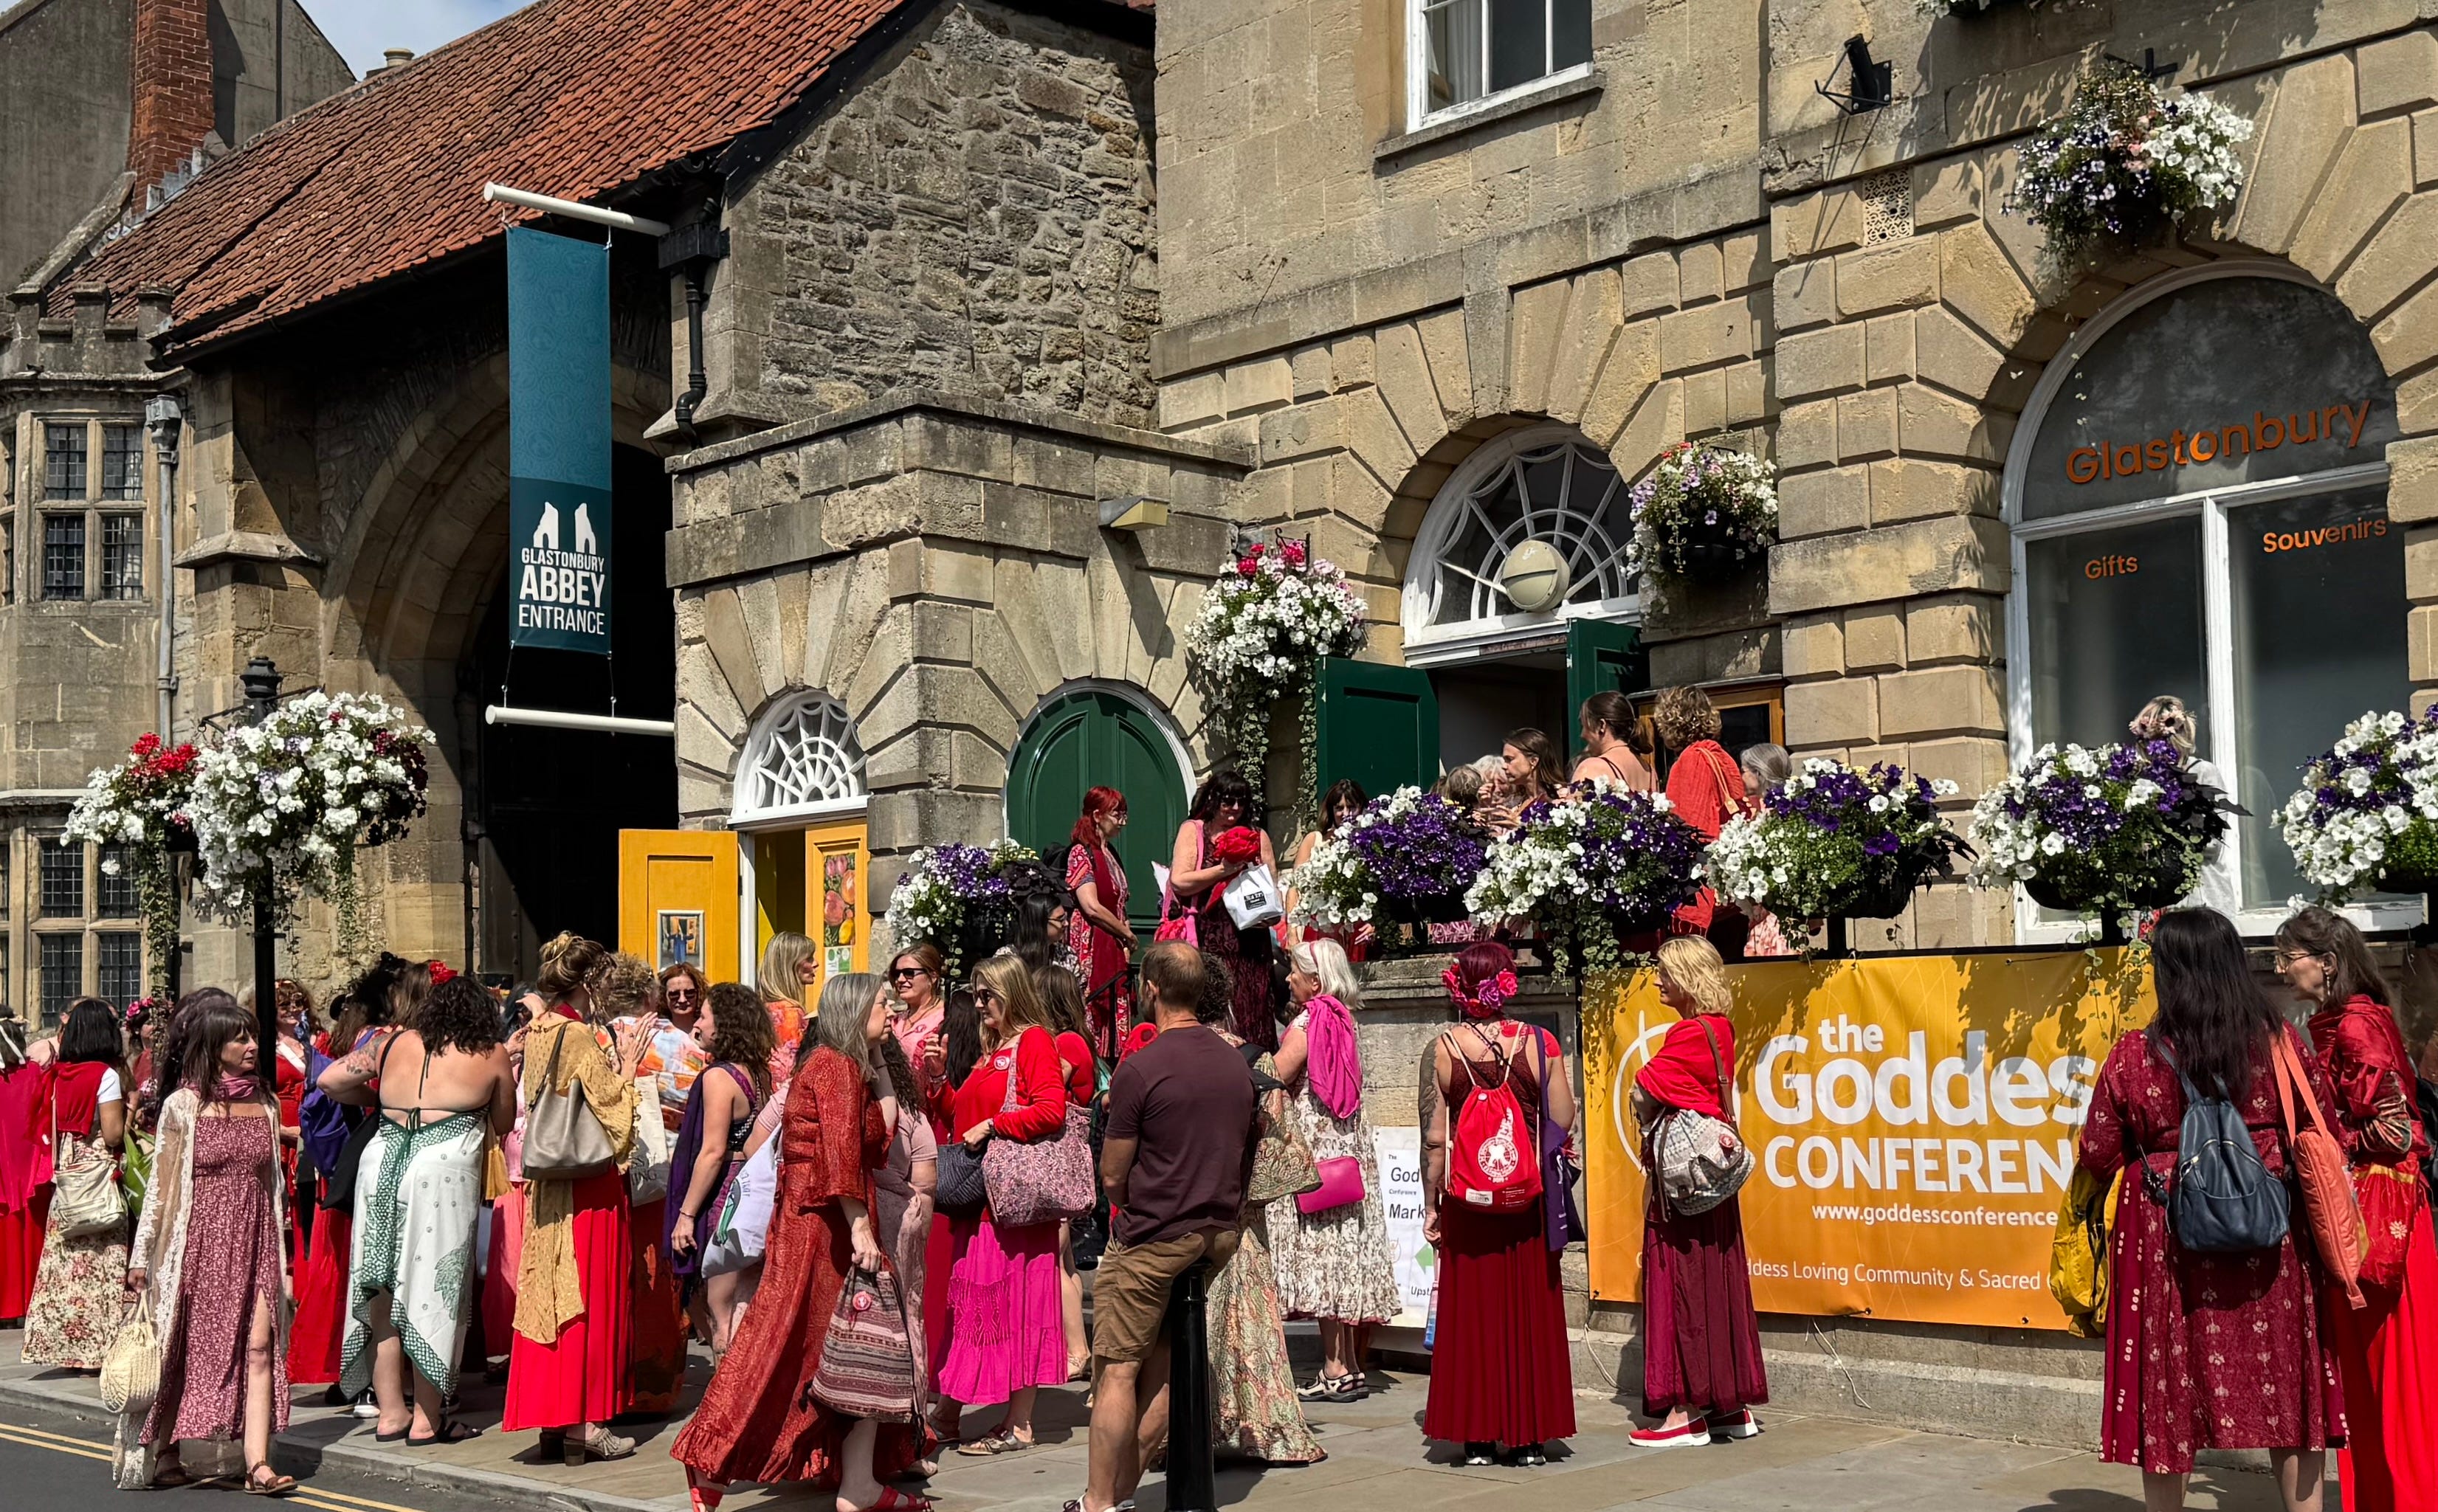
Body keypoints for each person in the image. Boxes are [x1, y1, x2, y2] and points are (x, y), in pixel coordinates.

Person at [2078, 908, 2344, 1511]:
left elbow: (2097, 1151)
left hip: (2169, 1236)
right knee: (2289, 1391)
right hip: (2268, 1230)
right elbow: (2321, 1121)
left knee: (2167, 1394)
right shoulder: (2279, 1041)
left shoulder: (2133, 1054)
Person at [671, 973, 931, 1512]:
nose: (890, 1012)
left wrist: (879, 1059)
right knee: (804, 1344)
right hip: (824, 1229)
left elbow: (880, 1136)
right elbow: (841, 1156)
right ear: (855, 1010)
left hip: (821, 1224)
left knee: (836, 1351)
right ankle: (717, 1457)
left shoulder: (844, 1064)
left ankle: (855, 1483)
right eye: (881, 1005)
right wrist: (860, 1226)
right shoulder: (834, 1067)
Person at [1075, 942, 1262, 1512]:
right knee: (1164, 1367)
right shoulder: (1235, 1062)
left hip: (1153, 1234)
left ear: (1150, 989)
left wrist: (1129, 1209)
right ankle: (1122, 1491)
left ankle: (1098, 1501)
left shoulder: (1141, 1067)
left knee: (1116, 1370)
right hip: (1216, 1232)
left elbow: (1112, 1174)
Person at [2273, 906, 2437, 1511]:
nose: (2281, 969)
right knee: (2371, 1384)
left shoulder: (2355, 1026)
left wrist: (2327, 1137)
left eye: (2288, 957)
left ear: (2327, 962)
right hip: (2367, 1213)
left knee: (2391, 1381)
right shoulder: (2344, 1020)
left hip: (2377, 1217)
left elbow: (2397, 1131)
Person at [320, 976, 515, 1446]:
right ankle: (429, 1420)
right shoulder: (491, 1053)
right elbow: (504, 1120)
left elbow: (329, 1080)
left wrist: (384, 1099)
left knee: (380, 1289)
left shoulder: (392, 1044)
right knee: (435, 1291)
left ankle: (391, 1413)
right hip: (442, 1170)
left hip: (381, 1160)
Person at [117, 991, 296, 1494]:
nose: (252, 1046)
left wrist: (283, 1255)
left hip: (256, 1240)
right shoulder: (183, 1105)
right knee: (182, 1348)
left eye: (253, 1036)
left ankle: (257, 1464)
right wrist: (142, 1256)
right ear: (213, 1046)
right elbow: (161, 1187)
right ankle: (165, 1448)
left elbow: (274, 1187)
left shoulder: (265, 1103)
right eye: (239, 1038)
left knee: (259, 1347)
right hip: (198, 1242)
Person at [1421, 941, 1575, 1467]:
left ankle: (1478, 1438)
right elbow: (1562, 1118)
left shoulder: (1444, 1047)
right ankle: (1529, 1438)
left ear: (1459, 986)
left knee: (1473, 1318)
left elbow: (1435, 1139)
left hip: (1469, 1202)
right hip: (1526, 1198)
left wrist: (1432, 1206)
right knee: (1528, 1313)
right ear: (1507, 984)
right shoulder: (1539, 1042)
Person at [503, 933, 652, 1465]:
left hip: (551, 1184)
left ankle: (556, 1420)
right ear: (590, 982)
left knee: (551, 1296)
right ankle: (587, 1422)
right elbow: (616, 1117)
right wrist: (628, 1069)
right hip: (589, 1186)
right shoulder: (580, 1035)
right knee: (590, 1298)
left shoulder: (539, 1029)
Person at [1628, 937, 1767, 1447]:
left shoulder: (1686, 1032)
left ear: (1688, 978)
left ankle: (1683, 1414)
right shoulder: (1720, 1028)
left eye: (1666, 973)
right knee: (1717, 1279)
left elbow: (1644, 1088)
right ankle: (1729, 1404)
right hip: (1714, 1176)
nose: (1658, 981)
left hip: (1684, 1182)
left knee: (1680, 1284)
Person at [932, 953, 1072, 1455]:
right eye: (976, 995)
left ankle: (1018, 1423)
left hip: (1012, 1205)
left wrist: (995, 1125)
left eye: (986, 994)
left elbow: (1051, 1111)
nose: (979, 1004)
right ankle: (950, 1413)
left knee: (1011, 1308)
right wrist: (938, 1083)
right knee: (977, 1308)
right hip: (984, 1201)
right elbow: (962, 1114)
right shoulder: (994, 1048)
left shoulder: (1033, 1041)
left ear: (1011, 993)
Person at [1268, 939, 1399, 1402]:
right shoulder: (1344, 1019)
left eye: (1295, 971)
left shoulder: (1309, 1022)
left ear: (1316, 980)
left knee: (1321, 1252)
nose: (1288, 978)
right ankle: (1352, 1366)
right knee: (1343, 1251)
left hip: (1316, 1148)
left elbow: (1279, 1073)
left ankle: (1334, 1366)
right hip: (1347, 1149)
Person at [1199, 986, 1323, 1465]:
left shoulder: (1165, 1057)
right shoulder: (1253, 1059)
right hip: (1241, 1217)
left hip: (1181, 1215)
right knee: (1248, 1324)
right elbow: (1279, 1145)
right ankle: (1259, 1426)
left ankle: (1190, 1429)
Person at [287, 958, 402, 1398]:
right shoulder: (380, 1040)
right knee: (365, 1269)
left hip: (339, 1164)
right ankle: (360, 1375)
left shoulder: (350, 1039)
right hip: (364, 1160)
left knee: (342, 1265)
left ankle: (346, 1372)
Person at [599, 950, 690, 1415]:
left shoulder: (599, 1039)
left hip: (609, 1172)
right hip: (663, 1171)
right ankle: (655, 1388)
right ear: (651, 996)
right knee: (658, 1275)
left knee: (616, 1274)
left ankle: (613, 1383)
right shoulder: (676, 1042)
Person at [667, 981, 778, 1356]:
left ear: (725, 1024)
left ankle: (725, 1390)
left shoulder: (719, 1077)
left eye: (704, 1016)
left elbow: (713, 1152)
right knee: (744, 1304)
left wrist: (686, 1215)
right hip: (753, 1190)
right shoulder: (759, 1073)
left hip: (725, 1196)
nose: (697, 1024)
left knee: (722, 1312)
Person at [20, 998, 129, 1368]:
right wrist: (131, 1113)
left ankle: (66, 1349)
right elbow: (113, 1134)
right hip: (97, 1178)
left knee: (64, 1267)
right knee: (101, 1264)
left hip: (67, 1177)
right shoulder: (105, 1076)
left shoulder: (57, 1075)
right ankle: (98, 1351)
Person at [1168, 767, 1284, 1052]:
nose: (1234, 808)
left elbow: (1273, 888)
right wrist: (1224, 870)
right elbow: (1180, 881)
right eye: (1227, 801)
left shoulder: (1257, 836)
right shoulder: (1194, 830)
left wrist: (1271, 918)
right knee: (1215, 1007)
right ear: (1213, 799)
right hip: (1210, 938)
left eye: (1241, 802)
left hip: (1251, 941)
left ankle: (1256, 1067)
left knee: (1254, 1008)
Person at [870, 1031, 940, 1450]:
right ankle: (911, 1438)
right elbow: (926, 1181)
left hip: (857, 1221)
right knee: (908, 1321)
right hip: (902, 1218)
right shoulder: (911, 1112)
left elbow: (758, 1142)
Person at [1033, 964, 1103, 1383]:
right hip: (1064, 1157)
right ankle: (1074, 1347)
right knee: (1066, 1260)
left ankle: (1077, 1350)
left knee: (1053, 1259)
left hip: (1059, 1159)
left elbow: (1046, 1091)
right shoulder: (1071, 1040)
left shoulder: (1067, 1043)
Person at [1656, 686, 1751, 956]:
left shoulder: (1692, 759)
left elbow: (1689, 824)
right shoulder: (1720, 755)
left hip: (1703, 895)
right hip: (1731, 893)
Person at [2130, 694, 2239, 916]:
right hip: (2153, 898)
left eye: (2157, 738)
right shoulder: (2139, 778)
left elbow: (2212, 842)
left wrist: (2163, 835)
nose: (2152, 746)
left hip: (2201, 896)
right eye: (2147, 738)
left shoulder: (2202, 772)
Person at [1064, 787, 1137, 1051]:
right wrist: (1126, 933)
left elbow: (1120, 903)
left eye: (1124, 815)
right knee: (1094, 1008)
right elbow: (1091, 906)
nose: (1123, 822)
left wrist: (1125, 937)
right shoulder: (1081, 853)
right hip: (1092, 947)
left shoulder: (1111, 854)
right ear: (1097, 815)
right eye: (1117, 815)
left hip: (1115, 946)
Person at [0, 1015, 47, 1325]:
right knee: (32, 1237)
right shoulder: (36, 1074)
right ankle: (30, 1304)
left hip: (8, 1167)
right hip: (32, 1168)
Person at [1735, 743, 1798, 959]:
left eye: (1743, 771)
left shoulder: (1775, 815)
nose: (1741, 777)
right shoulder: (1776, 810)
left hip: (1774, 921)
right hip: (1767, 918)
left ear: (1759, 772)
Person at [1571, 691, 1656, 790]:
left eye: (1584, 726)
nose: (1582, 735)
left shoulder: (1592, 768)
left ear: (1601, 725)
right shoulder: (1650, 772)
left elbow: (1577, 799)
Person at [1481, 730, 1561, 832]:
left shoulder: (1559, 798)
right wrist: (1488, 808)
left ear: (1533, 761)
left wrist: (1521, 828)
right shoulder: (1514, 802)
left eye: (1509, 759)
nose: (1504, 766)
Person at [760, 932, 818, 1065]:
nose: (816, 963)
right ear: (790, 966)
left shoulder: (764, 1009)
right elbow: (789, 1069)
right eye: (809, 959)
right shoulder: (790, 1014)